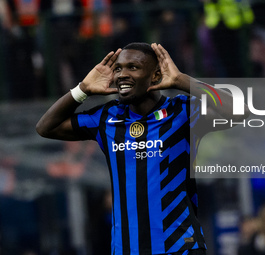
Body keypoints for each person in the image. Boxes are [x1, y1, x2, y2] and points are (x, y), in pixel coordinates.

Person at [36, 42, 249, 255]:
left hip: (180, 247)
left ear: (155, 76)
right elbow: (45, 127)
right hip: (126, 249)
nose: (122, 75)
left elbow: (240, 111)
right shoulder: (106, 117)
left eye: (133, 67)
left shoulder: (183, 111)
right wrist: (81, 90)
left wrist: (182, 81)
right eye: (118, 69)